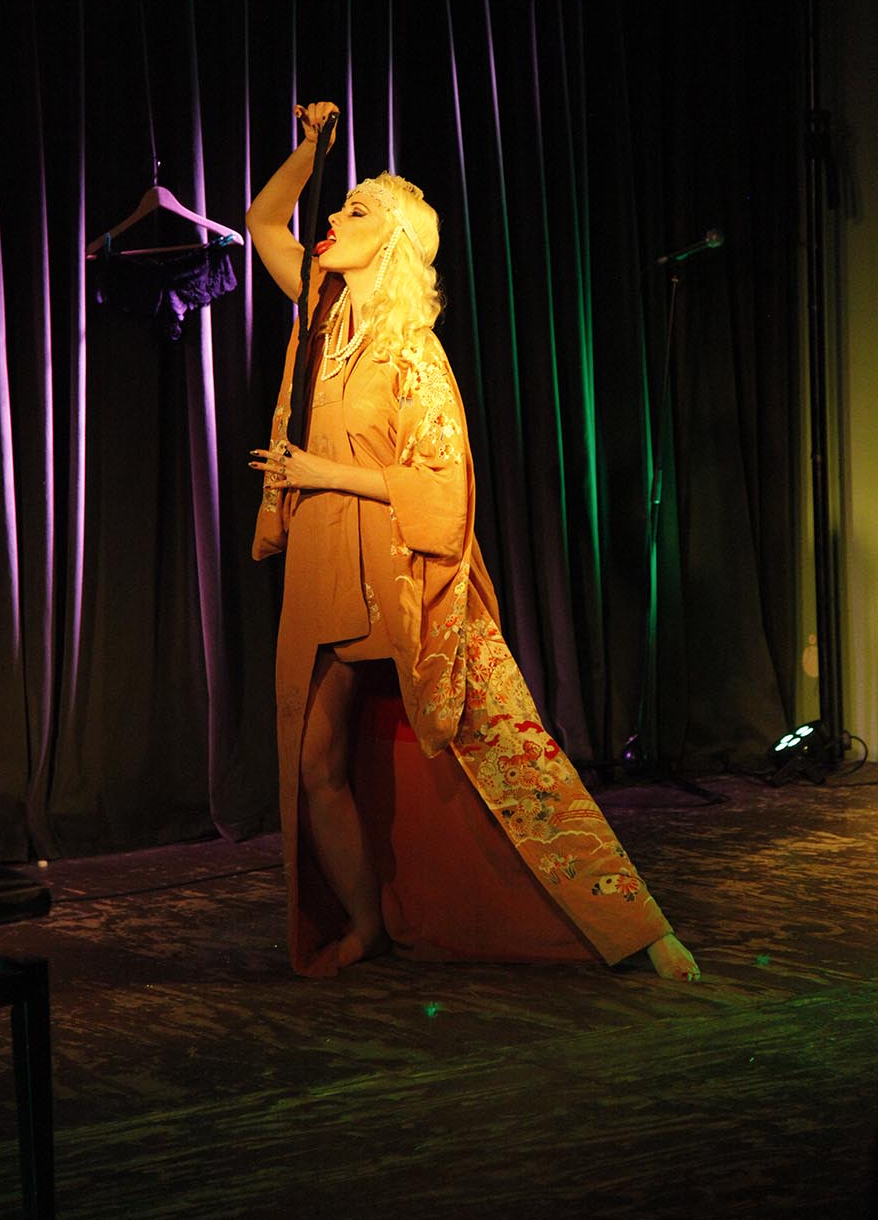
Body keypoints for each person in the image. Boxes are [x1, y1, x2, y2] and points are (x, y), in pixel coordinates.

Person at [247, 100, 700, 984]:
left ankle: (635, 925)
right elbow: (264, 221)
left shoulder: (413, 352)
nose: (333, 217)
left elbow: (443, 487)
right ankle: (368, 925)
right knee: (314, 762)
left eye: (354, 210)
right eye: (338, 205)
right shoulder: (319, 318)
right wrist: (310, 149)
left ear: (392, 242)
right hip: (324, 562)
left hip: (406, 568)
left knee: (502, 745)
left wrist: (323, 471)